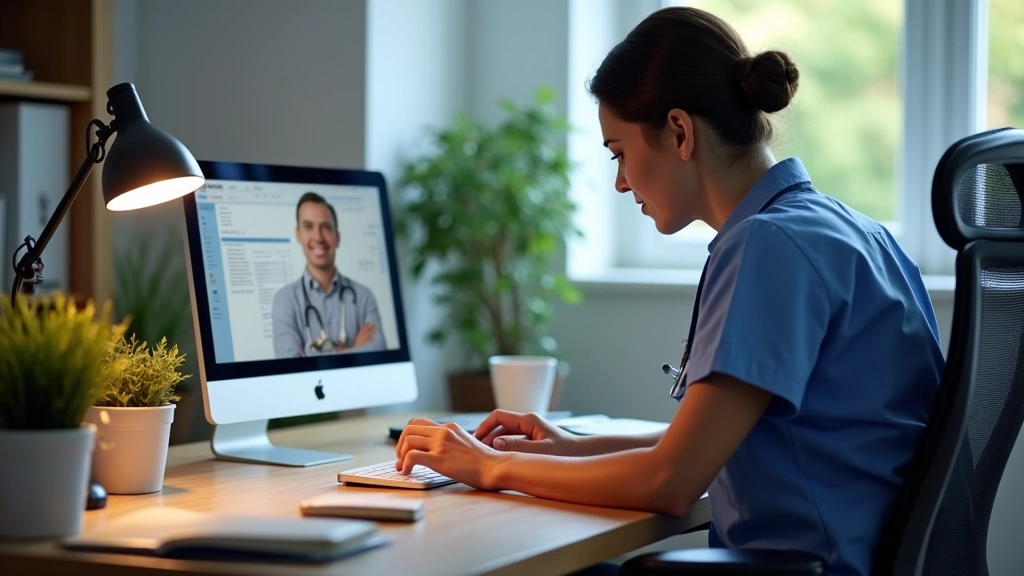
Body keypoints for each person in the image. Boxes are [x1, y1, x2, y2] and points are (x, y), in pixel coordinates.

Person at [394, 7, 944, 576]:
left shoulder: (769, 246)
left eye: (620, 153)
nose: (621, 181)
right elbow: (715, 439)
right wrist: (564, 445)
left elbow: (670, 481)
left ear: (680, 132)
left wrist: (489, 468)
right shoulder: (847, 229)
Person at [272, 192, 386, 357]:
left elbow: (379, 350)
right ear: (298, 235)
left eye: (326, 227)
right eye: (309, 226)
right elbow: (289, 361)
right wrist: (354, 349)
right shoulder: (285, 300)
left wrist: (312, 352)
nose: (318, 237)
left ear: (337, 237)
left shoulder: (363, 296)